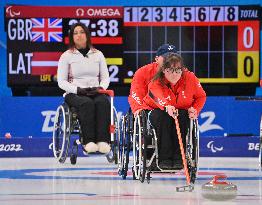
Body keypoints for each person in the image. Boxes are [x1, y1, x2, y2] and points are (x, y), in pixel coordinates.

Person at [131, 52, 206, 169]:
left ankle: (179, 159)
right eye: (170, 70)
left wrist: (195, 109)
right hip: (156, 110)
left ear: (182, 70)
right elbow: (154, 95)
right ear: (164, 70)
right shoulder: (155, 81)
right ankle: (164, 158)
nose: (174, 74)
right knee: (163, 118)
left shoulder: (190, 78)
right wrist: (166, 106)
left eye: (177, 70)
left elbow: (201, 96)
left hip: (179, 111)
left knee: (183, 116)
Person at [57, 22, 111, 154]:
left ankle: (103, 141)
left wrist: (100, 88)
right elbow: (61, 81)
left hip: (95, 90)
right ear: (72, 37)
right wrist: (77, 90)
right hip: (75, 93)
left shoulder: (98, 54)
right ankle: (89, 142)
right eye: (75, 33)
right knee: (86, 103)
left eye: (81, 32)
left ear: (87, 35)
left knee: (103, 102)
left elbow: (106, 78)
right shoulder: (66, 56)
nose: (78, 35)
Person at [128, 44, 177, 116]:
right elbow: (136, 93)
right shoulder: (142, 72)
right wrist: (138, 108)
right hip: (149, 109)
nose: (169, 61)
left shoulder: (181, 73)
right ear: (157, 59)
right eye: (166, 57)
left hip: (172, 108)